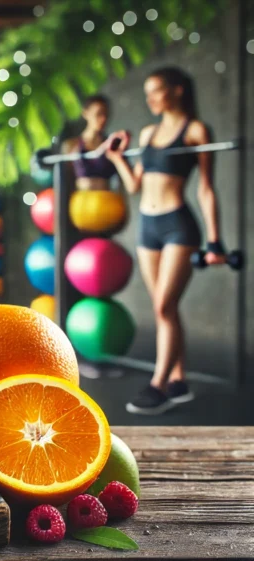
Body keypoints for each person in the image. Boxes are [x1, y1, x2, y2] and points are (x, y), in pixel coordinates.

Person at [103, 66, 225, 415]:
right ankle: (179, 380)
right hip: (148, 227)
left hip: (178, 226)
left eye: (156, 90)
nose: (150, 98)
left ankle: (159, 385)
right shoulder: (148, 133)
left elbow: (206, 188)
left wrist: (215, 241)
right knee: (165, 309)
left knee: (162, 307)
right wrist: (116, 158)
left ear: (177, 91)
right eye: (148, 92)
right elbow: (134, 185)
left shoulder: (196, 130)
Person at [63, 95, 118, 190]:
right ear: (85, 113)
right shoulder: (71, 145)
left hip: (108, 199)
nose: (103, 119)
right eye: (98, 114)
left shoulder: (112, 145)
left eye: (106, 114)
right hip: (82, 200)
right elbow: (66, 181)